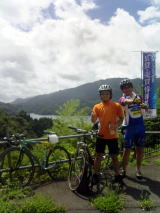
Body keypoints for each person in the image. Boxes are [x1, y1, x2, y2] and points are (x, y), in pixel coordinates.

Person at [91, 84, 124, 183]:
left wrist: (116, 125)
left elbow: (122, 118)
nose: (105, 95)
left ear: (110, 95)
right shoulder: (97, 106)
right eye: (103, 94)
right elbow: (93, 121)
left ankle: (117, 175)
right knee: (98, 156)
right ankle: (96, 175)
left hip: (112, 136)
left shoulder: (116, 105)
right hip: (100, 135)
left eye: (107, 93)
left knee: (114, 157)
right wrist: (92, 117)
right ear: (100, 95)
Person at [119, 79, 146, 180]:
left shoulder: (139, 96)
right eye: (124, 88)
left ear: (131, 87)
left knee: (140, 150)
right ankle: (124, 170)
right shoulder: (122, 98)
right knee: (126, 151)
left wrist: (144, 106)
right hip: (129, 128)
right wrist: (134, 101)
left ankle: (138, 170)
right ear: (122, 90)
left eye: (128, 87)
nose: (127, 89)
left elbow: (143, 109)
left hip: (140, 126)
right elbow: (125, 102)